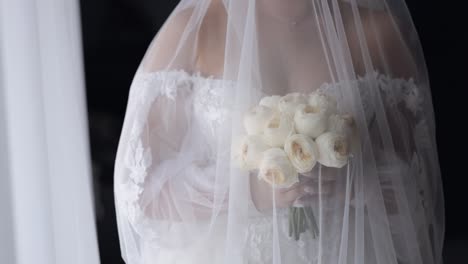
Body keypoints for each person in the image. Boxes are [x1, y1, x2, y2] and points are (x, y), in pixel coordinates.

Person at [114, 0, 444, 263]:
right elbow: (139, 187)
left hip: (346, 249)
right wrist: (246, 193)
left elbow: (419, 190)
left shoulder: (378, 31)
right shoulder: (195, 28)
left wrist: (356, 181)